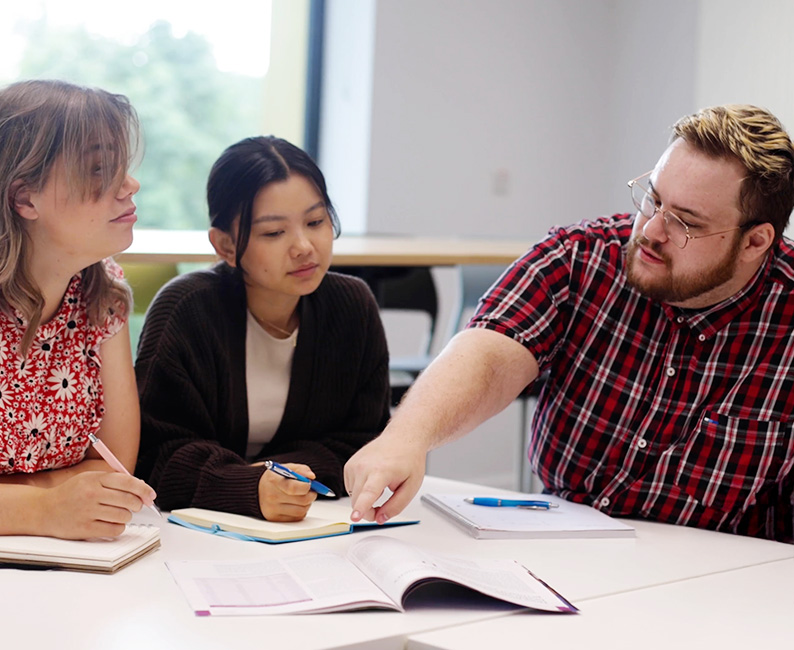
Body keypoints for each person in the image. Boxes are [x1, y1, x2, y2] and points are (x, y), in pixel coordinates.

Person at [345, 104, 794, 543]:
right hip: (567, 543)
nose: (652, 231)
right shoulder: (582, 256)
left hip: (723, 572)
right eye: (653, 200)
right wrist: (408, 436)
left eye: (685, 223)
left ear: (755, 241)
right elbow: (491, 351)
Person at [135, 136, 390, 522]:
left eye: (316, 221)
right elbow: (156, 457)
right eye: (273, 233)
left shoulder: (351, 307)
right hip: (198, 531)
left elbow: (365, 443)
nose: (304, 246)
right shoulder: (186, 311)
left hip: (317, 523)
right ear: (224, 245)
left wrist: (276, 479)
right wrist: (246, 486)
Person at [0, 79, 156, 539]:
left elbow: (113, 475)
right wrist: (43, 506)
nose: (130, 185)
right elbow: (74, 497)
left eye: (123, 166)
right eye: (99, 170)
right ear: (24, 197)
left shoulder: (103, 288)